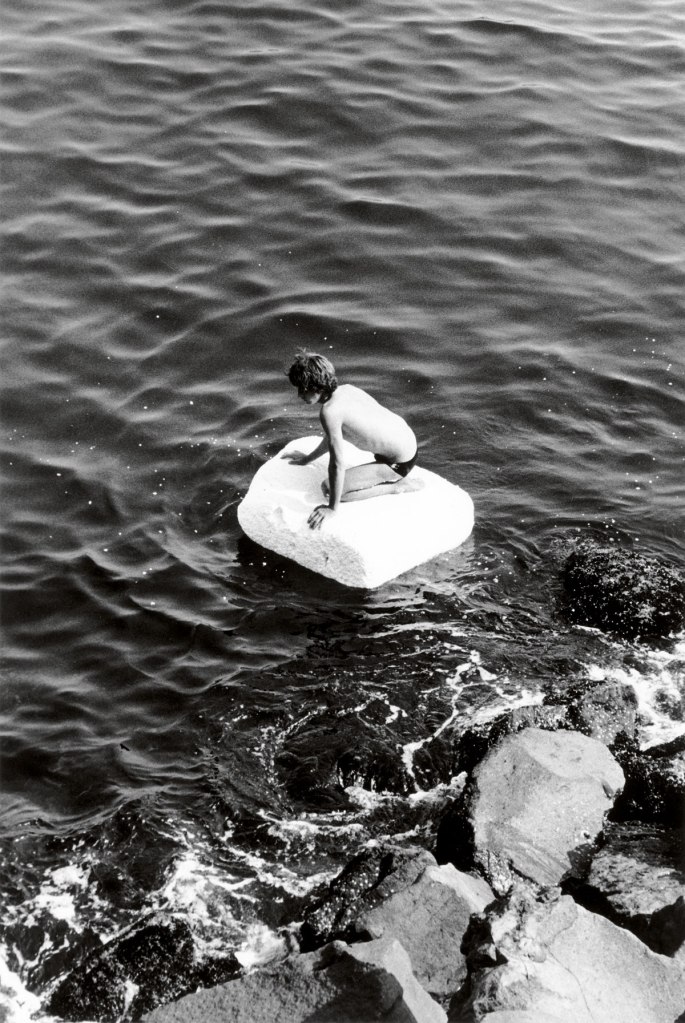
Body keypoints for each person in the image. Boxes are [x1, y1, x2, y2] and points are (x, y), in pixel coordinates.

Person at [282, 351, 419, 530]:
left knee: (329, 489)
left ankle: (397, 486)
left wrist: (332, 508)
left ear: (316, 387)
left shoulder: (329, 412)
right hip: (409, 444)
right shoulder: (348, 390)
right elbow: (334, 437)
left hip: (398, 463)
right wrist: (307, 459)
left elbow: (337, 463)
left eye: (302, 389)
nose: (299, 395)